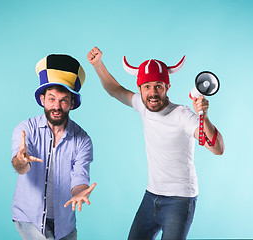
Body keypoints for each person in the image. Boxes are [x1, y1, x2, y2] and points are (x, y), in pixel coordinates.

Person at [87, 47, 224, 240]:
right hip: (151, 196)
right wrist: (98, 65)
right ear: (140, 89)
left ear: (167, 87)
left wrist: (205, 117)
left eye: (158, 86)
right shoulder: (143, 106)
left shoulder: (182, 115)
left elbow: (217, 148)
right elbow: (115, 90)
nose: (152, 93)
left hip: (180, 199)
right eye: (147, 86)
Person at [11, 54, 96, 240]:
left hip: (64, 223)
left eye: (63, 100)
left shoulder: (82, 139)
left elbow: (79, 175)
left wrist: (80, 192)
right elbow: (19, 166)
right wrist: (21, 160)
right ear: (42, 100)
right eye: (51, 99)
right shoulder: (26, 130)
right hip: (29, 217)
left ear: (72, 103)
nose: (56, 106)